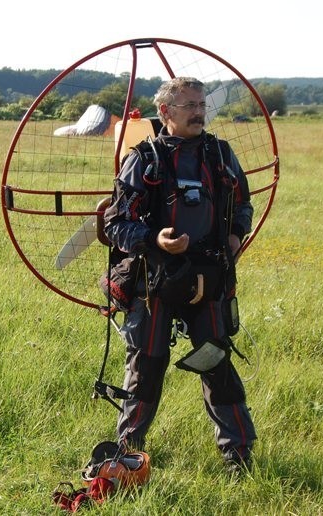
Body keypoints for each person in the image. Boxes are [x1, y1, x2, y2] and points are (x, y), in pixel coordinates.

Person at [102, 77, 256, 474]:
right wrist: (156, 239)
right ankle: (127, 454)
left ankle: (239, 457)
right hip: (154, 282)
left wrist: (236, 238)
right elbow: (116, 222)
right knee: (148, 364)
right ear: (166, 112)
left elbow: (242, 202)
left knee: (216, 363)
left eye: (202, 104)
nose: (199, 111)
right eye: (189, 105)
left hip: (209, 280)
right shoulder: (145, 158)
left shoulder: (220, 155)